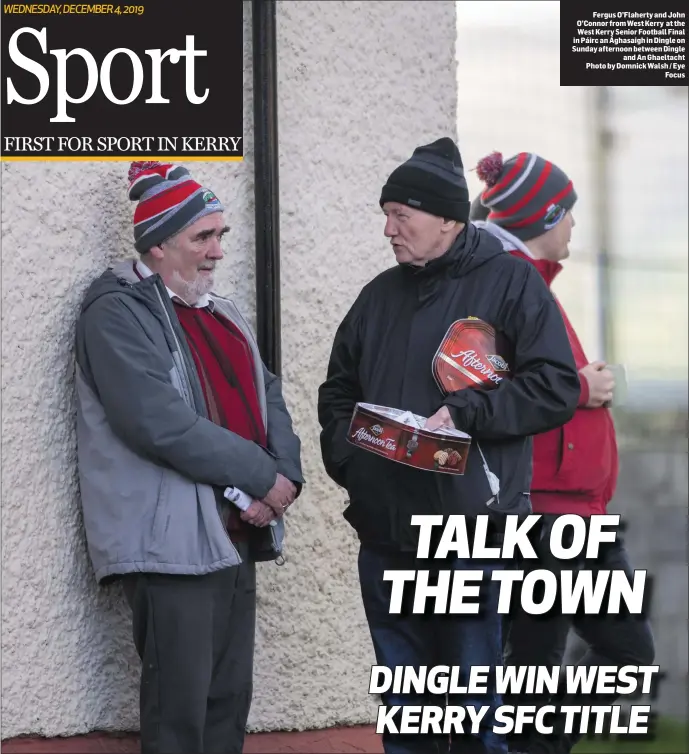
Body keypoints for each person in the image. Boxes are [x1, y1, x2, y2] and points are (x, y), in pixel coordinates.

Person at [318, 138, 581, 754]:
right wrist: (352, 456)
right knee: (408, 721)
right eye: (384, 215)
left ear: (446, 218)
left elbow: (556, 386)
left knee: (470, 714)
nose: (388, 230)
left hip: (472, 536)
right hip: (385, 536)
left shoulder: (510, 282)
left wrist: (464, 412)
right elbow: (338, 391)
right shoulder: (377, 296)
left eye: (400, 216)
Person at [75, 161, 304, 754]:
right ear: (157, 244)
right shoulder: (117, 313)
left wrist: (286, 478)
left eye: (221, 234)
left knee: (225, 706)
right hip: (170, 546)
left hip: (232, 534)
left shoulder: (219, 311)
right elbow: (159, 424)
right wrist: (260, 476)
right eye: (203, 237)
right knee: (178, 713)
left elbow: (267, 392)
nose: (218, 251)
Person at [471, 151, 655, 754]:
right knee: (606, 656)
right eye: (567, 213)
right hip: (549, 513)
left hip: (568, 511)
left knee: (543, 668)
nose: (573, 226)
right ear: (543, 215)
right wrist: (582, 388)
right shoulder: (505, 279)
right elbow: (484, 384)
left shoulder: (523, 280)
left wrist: (585, 383)